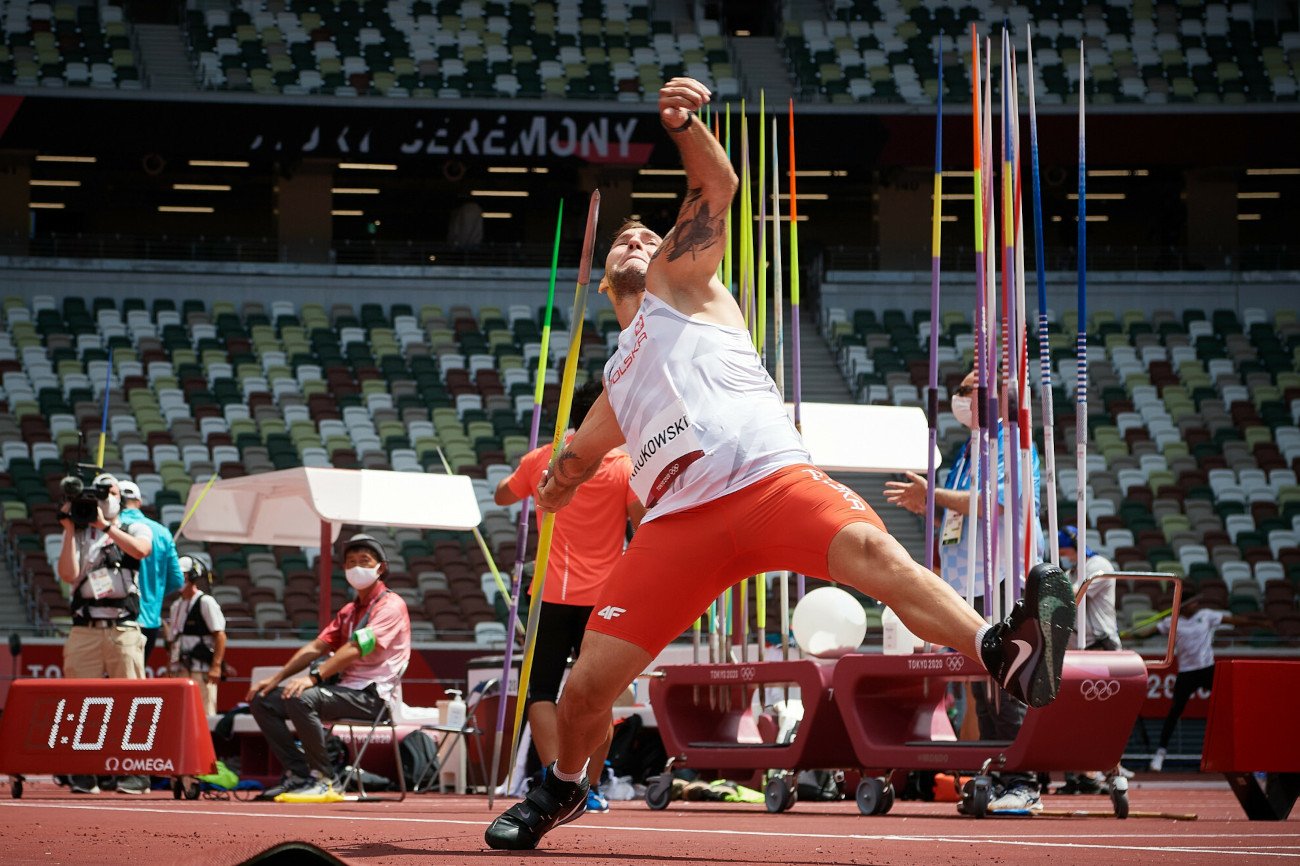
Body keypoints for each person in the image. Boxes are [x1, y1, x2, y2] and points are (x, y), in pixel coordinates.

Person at [483, 78, 1076, 850]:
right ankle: (560, 787)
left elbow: (719, 184)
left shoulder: (680, 282)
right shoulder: (613, 389)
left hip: (771, 480)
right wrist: (556, 477)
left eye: (643, 234)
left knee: (877, 556)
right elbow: (572, 465)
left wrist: (684, 127)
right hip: (679, 527)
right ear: (601, 282)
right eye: (621, 242)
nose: (636, 244)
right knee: (587, 684)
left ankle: (1005, 652)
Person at [882, 367, 1048, 814]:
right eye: (957, 390)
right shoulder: (963, 453)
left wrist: (933, 494)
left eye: (967, 389)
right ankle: (997, 770)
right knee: (980, 684)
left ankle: (1022, 778)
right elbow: (959, 519)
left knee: (1008, 676)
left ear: (994, 397)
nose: (958, 397)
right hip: (964, 581)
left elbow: (993, 503)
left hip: (1001, 577)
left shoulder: (1012, 446)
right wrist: (928, 507)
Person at [494, 379, 645, 814]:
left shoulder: (545, 458)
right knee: (598, 694)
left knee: (541, 690)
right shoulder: (623, 465)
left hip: (550, 597)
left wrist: (523, 472)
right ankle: (589, 787)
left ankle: (555, 785)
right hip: (602, 596)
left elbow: (503, 494)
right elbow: (641, 526)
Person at [247, 533, 411, 801]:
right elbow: (316, 647)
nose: (357, 566)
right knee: (262, 700)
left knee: (303, 697)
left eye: (364, 560)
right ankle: (299, 775)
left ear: (380, 567)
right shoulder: (348, 611)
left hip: (374, 698)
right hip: (345, 693)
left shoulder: (391, 606)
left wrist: (313, 678)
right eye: (351, 562)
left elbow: (357, 647)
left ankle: (325, 779)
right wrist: (275, 679)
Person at [56, 472, 154, 795]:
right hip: (85, 628)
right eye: (99, 493)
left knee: (133, 703)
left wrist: (106, 527)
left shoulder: (131, 526)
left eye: (109, 492)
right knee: (80, 703)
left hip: (123, 627)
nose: (104, 498)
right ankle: (85, 772)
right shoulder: (80, 533)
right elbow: (68, 574)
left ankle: (135, 773)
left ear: (119, 497)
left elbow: (142, 551)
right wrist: (70, 530)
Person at [1147, 592, 1250, 771]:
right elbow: (1149, 632)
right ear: (1185, 605)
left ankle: (1240, 752)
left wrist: (1258, 622)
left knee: (1228, 705)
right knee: (1174, 712)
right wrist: (1124, 637)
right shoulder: (1171, 622)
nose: (1197, 605)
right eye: (1193, 603)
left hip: (1208, 669)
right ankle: (1159, 755)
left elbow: (1231, 620)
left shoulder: (1206, 615)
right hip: (1187, 673)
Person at [118, 480, 184, 668]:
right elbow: (177, 579)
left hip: (116, 620)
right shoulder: (162, 532)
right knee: (132, 686)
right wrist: (155, 591)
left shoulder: (111, 527)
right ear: (138, 502)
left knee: (104, 690)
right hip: (149, 622)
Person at [166, 555, 227, 716]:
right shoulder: (176, 606)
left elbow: (220, 636)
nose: (178, 579)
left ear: (192, 576)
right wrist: (171, 666)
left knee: (204, 714)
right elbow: (173, 641)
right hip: (181, 669)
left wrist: (216, 666)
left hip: (202, 670)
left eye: (182, 575)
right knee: (181, 714)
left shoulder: (206, 602)